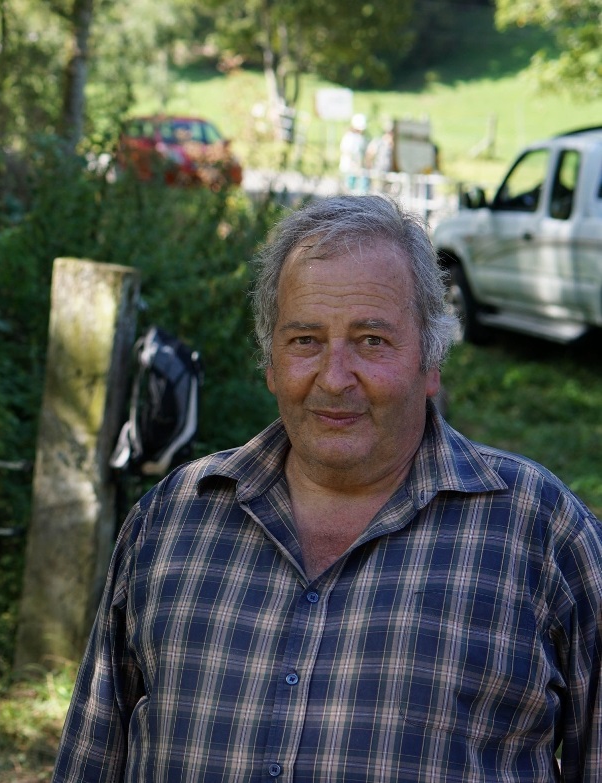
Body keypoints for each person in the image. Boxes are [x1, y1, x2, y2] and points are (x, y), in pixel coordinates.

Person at [52, 195, 602, 782]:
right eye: (305, 341)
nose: (335, 379)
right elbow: (90, 762)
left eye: (371, 340)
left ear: (431, 361)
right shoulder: (170, 522)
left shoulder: (542, 533)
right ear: (270, 363)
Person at [338, 113, 369, 193]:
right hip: (349, 166)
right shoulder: (349, 137)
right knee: (349, 188)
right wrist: (353, 161)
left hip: (357, 166)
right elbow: (346, 150)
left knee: (359, 187)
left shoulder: (360, 137)